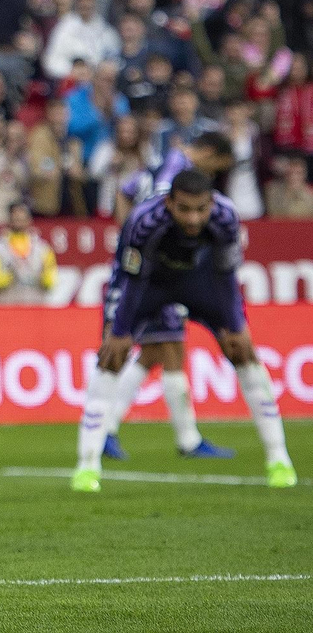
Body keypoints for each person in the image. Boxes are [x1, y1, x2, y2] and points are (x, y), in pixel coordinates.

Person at [72, 169, 297, 492]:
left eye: (201, 209)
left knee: (242, 350)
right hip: (149, 285)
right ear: (169, 203)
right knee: (112, 355)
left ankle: (279, 459)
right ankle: (87, 466)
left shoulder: (225, 217)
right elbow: (132, 280)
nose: (193, 219)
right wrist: (120, 330)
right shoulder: (144, 221)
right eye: (185, 209)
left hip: (201, 281)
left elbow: (227, 275)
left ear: (211, 203)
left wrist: (235, 325)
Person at [98, 130, 238, 461]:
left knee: (155, 351)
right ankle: (184, 439)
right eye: (217, 166)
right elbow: (161, 206)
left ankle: (110, 428)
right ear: (209, 152)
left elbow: (126, 190)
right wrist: (136, 243)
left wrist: (128, 235)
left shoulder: (164, 159)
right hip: (156, 271)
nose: (215, 175)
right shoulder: (178, 168)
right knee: (170, 347)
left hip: (151, 267)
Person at [0, 203, 57, 305]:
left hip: (35, 306)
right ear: (9, 220)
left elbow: (50, 280)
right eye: (16, 219)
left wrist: (42, 278)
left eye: (22, 219)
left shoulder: (43, 249)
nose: (19, 222)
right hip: (5, 306)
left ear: (29, 220)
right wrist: (10, 277)